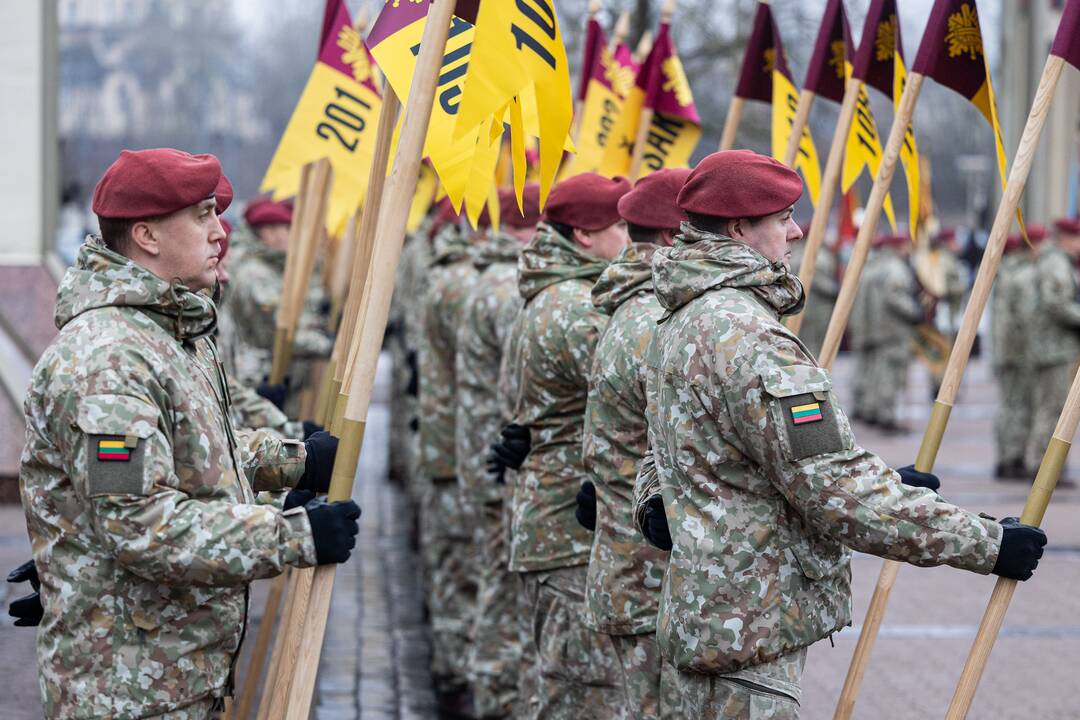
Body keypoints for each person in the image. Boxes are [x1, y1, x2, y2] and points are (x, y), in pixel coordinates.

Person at [634, 150, 1046, 719]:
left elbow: (669, 450)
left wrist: (654, 500)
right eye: (782, 218)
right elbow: (837, 494)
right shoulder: (747, 336)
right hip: (750, 634)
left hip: (705, 620)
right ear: (737, 230)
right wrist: (986, 544)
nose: (796, 231)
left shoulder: (679, 318)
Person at [18, 148, 360, 719]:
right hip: (128, 690)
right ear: (147, 236)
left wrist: (295, 461)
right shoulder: (110, 360)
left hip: (174, 670)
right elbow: (139, 523)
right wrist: (292, 535)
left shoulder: (171, 333)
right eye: (200, 216)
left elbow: (198, 454)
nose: (220, 232)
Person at [500, 172, 631, 718]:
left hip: (555, 522)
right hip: (568, 532)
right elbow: (635, 400)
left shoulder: (558, 293)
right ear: (583, 234)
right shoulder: (578, 307)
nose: (628, 237)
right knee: (583, 696)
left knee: (567, 687)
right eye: (620, 225)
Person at [577, 168, 688, 719]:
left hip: (635, 567)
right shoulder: (654, 321)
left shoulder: (635, 309)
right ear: (673, 238)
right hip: (650, 576)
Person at [455, 184, 541, 718]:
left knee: (495, 586)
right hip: (502, 461)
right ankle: (496, 700)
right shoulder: (509, 289)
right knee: (506, 598)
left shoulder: (486, 277)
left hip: (480, 451)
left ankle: (488, 691)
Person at [419, 197, 482, 711]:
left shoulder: (445, 274)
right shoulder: (462, 282)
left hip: (447, 438)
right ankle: (456, 676)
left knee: (451, 564)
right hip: (462, 446)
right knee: (461, 567)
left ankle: (451, 667)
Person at [224, 197, 334, 398]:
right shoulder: (255, 272)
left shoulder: (275, 267)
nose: (282, 236)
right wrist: (327, 345)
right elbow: (276, 332)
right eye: (273, 229)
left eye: (286, 229)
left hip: (278, 373)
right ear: (259, 232)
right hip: (258, 377)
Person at [854, 233, 923, 433]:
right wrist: (914, 311)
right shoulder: (894, 268)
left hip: (878, 329)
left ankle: (874, 409)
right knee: (890, 375)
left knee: (878, 372)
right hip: (893, 330)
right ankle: (887, 416)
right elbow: (895, 297)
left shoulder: (876, 266)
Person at [1028, 218, 1080, 475]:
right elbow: (1057, 304)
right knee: (1052, 409)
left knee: (1051, 407)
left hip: (1055, 347)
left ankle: (1048, 466)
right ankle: (1045, 467)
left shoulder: (1055, 262)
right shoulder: (1057, 264)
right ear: (1066, 239)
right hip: (1054, 348)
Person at [991, 228, 1042, 479]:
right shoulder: (1024, 275)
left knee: (1008, 406)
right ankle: (1013, 458)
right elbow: (1028, 317)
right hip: (1019, 351)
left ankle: (1005, 456)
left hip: (1005, 350)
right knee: (1019, 407)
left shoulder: (1006, 271)